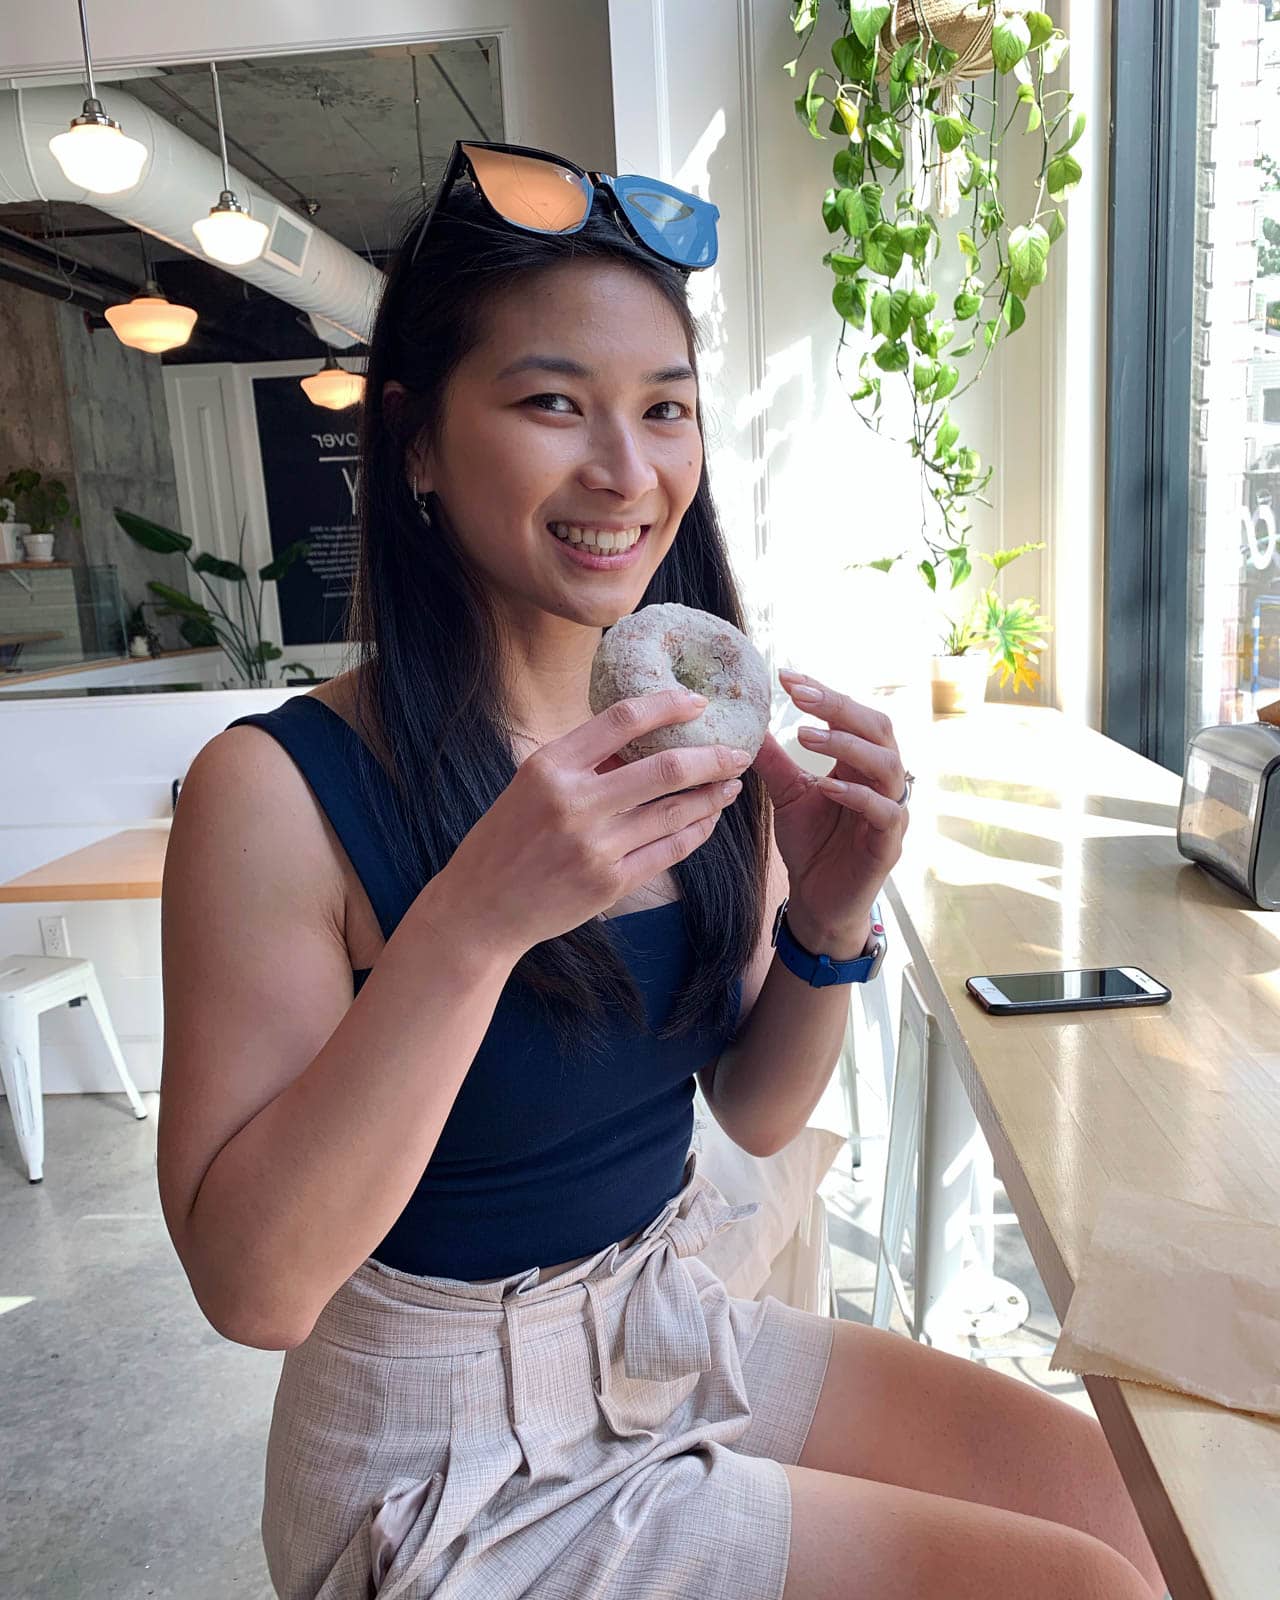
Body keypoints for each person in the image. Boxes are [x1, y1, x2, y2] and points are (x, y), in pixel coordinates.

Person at [156, 141, 1166, 1600]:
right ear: (417, 442)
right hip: (442, 1453)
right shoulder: (278, 789)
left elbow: (752, 1112)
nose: (627, 473)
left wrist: (828, 916)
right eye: (553, 402)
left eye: (666, 411)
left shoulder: (693, 736)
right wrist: (477, 922)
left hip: (658, 1325)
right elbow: (256, 1289)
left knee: (1115, 1504)